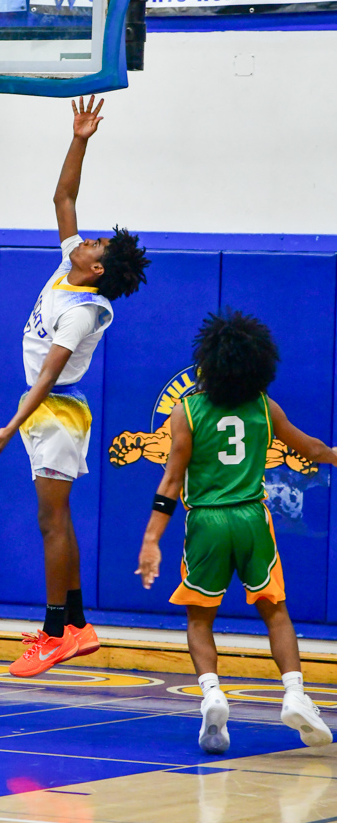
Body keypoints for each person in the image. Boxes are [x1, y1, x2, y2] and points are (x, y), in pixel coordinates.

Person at [0, 95, 149, 678]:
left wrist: (9, 428)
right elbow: (64, 198)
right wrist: (80, 139)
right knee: (58, 519)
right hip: (47, 408)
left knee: (51, 522)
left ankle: (54, 634)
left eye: (97, 245)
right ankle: (77, 626)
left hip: (54, 411)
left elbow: (49, 375)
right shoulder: (67, 267)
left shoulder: (83, 311)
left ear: (96, 269)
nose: (88, 238)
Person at [136, 309, 335, 752]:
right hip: (251, 519)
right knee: (275, 610)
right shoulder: (265, 407)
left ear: (208, 362)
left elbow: (171, 481)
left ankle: (212, 694)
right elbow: (312, 449)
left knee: (199, 618)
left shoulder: (186, 412)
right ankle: (295, 694)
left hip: (206, 522)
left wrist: (151, 539)